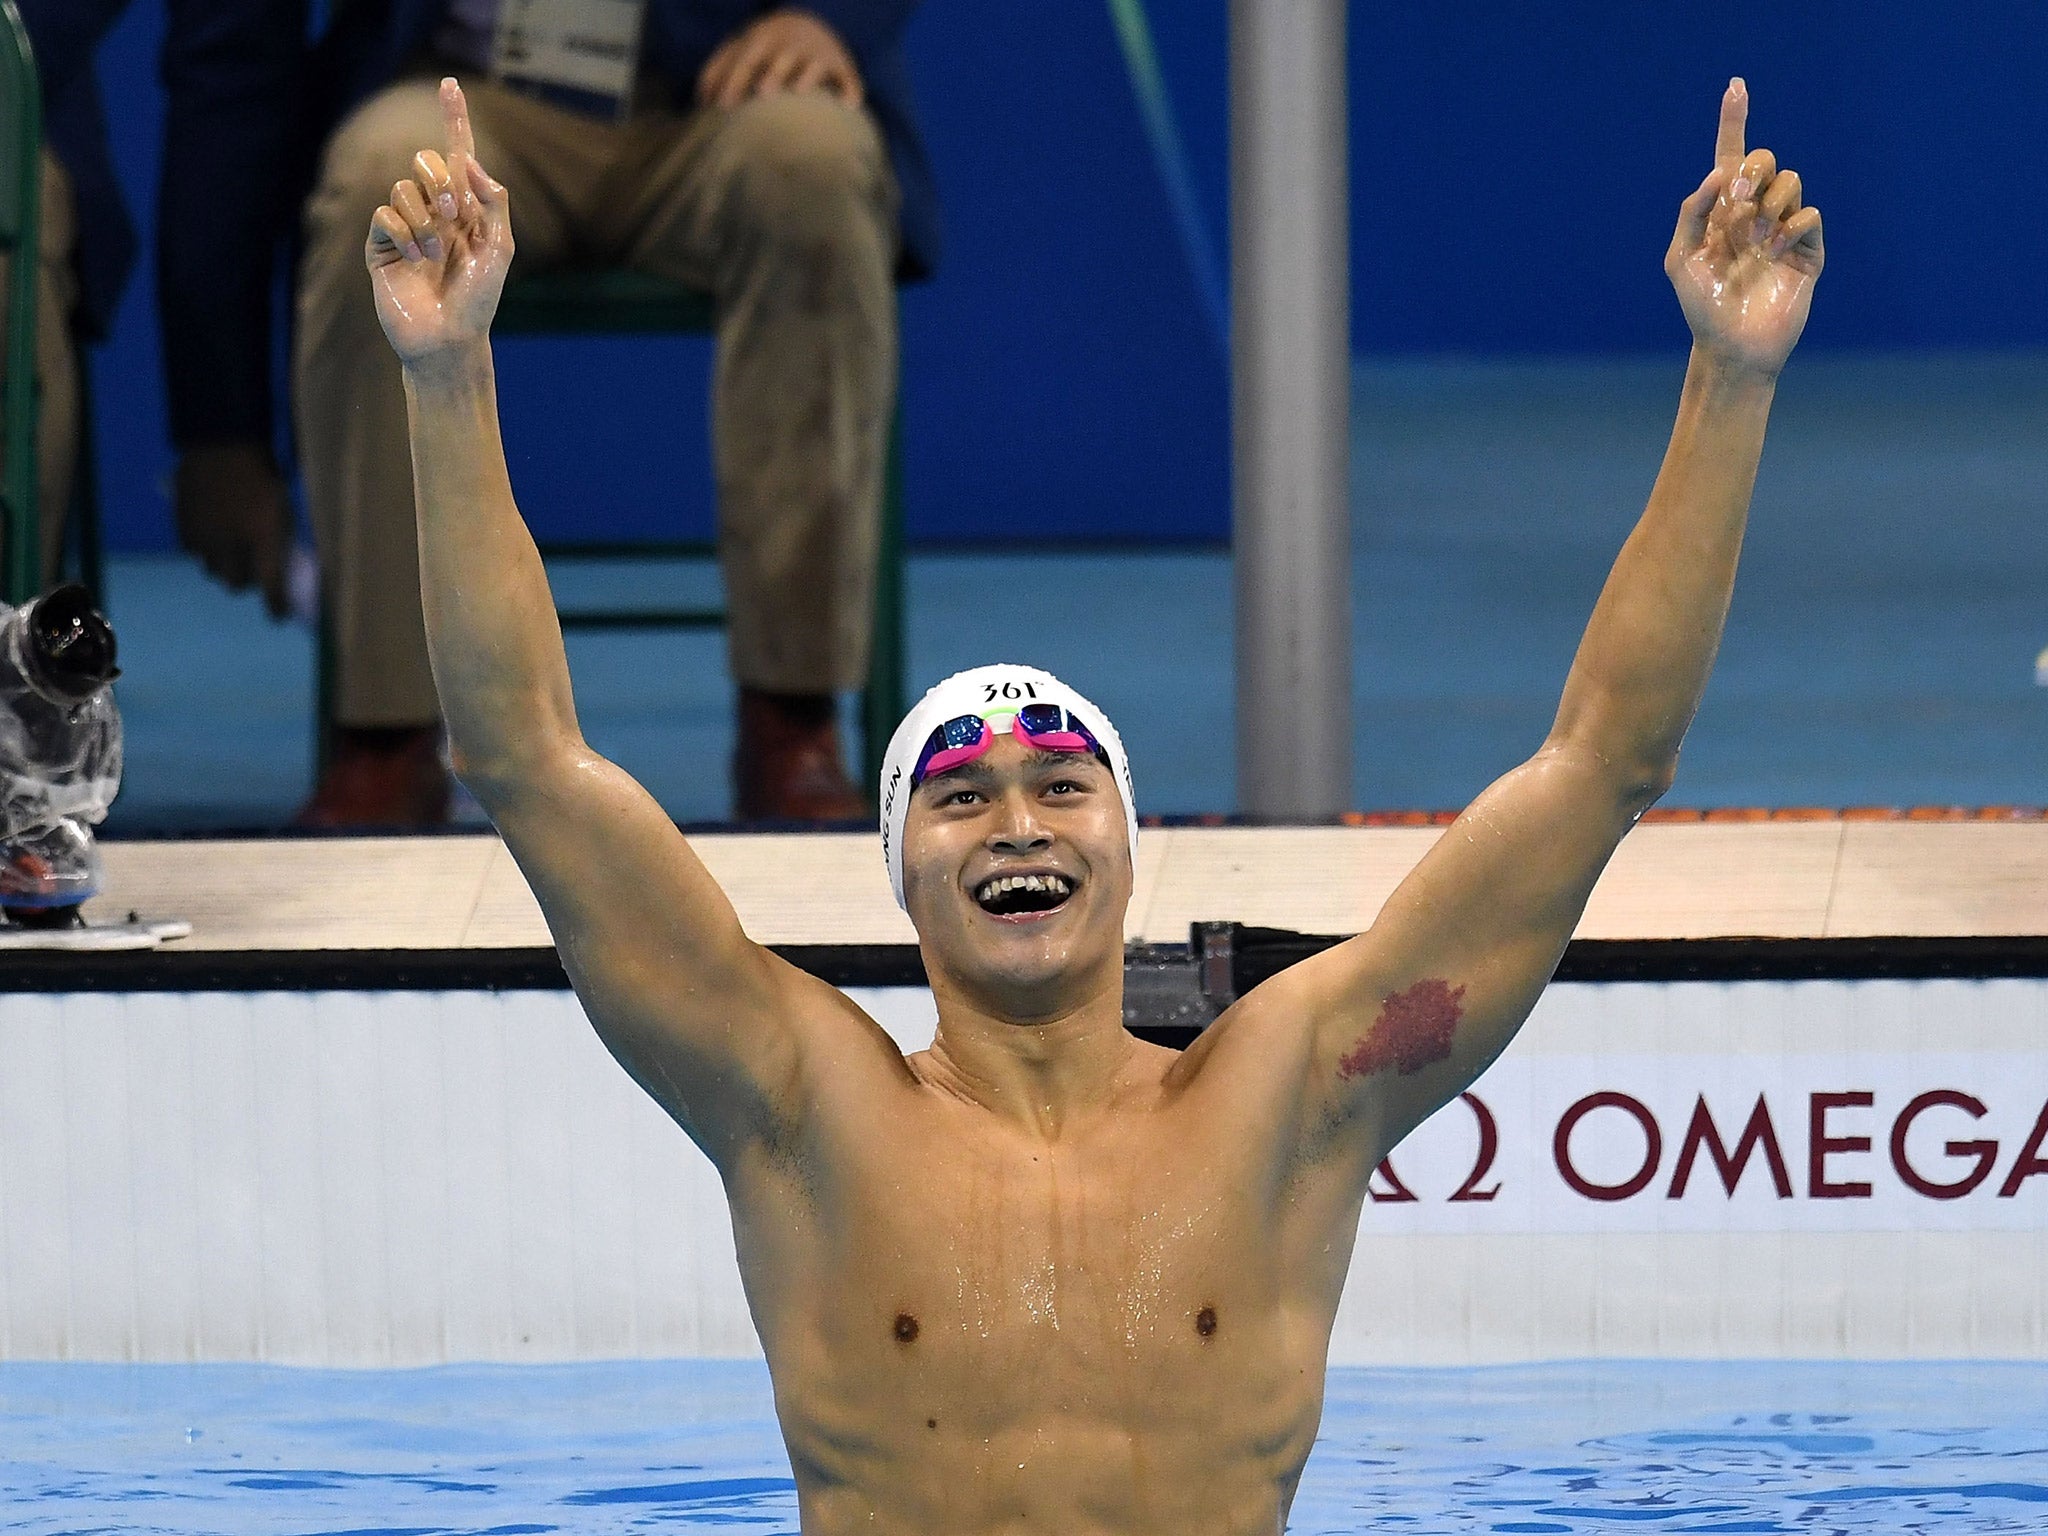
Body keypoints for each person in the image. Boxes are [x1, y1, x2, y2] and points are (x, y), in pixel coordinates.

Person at [369, 76, 1819, 1533]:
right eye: (962, 800)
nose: (1018, 822)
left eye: (1065, 787)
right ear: (901, 874)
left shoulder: (1297, 1098)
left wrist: (1731, 379)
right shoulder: (795, 1103)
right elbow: (525, 762)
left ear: (1131, 851)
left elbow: (1603, 763)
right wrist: (448, 376)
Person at [290, 1, 932, 827]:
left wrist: (829, 17)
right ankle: (388, 729)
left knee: (813, 162)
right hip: (474, 96)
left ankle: (793, 717)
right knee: (383, 178)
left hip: (718, 90)